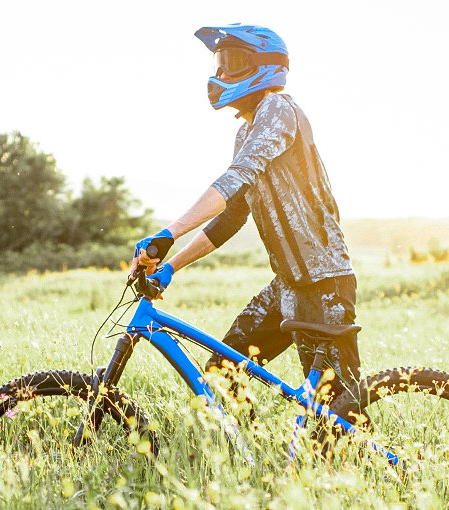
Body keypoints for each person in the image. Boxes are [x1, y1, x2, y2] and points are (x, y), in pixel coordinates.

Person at [131, 23, 360, 403]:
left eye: (232, 62)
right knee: (221, 374)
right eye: (218, 63)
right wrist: (172, 265)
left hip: (324, 284)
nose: (220, 74)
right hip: (286, 284)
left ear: (265, 66)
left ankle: (379, 464)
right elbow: (233, 214)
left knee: (336, 412)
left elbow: (236, 178)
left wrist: (168, 233)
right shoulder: (246, 131)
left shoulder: (278, 109)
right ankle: (244, 456)